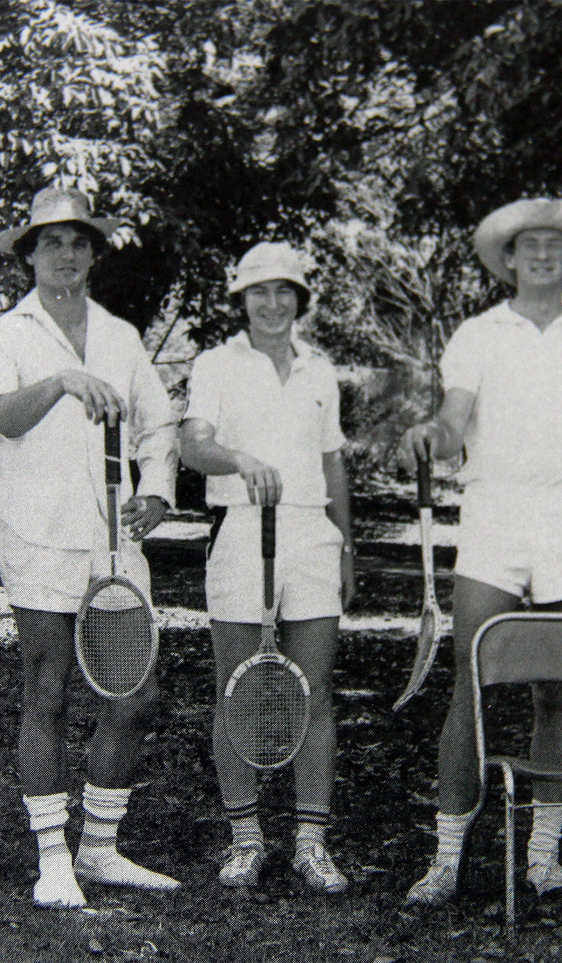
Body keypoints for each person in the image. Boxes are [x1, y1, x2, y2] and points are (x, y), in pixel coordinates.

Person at [397, 198, 562, 906]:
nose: (542, 255)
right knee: (470, 682)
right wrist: (430, 437)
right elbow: (452, 424)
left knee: (557, 690)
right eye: (528, 245)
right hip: (493, 517)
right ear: (508, 259)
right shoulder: (478, 334)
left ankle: (544, 859)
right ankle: (446, 860)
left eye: (554, 245)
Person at [0, 186, 178, 908]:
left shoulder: (120, 335)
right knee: (47, 690)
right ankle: (52, 858)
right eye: (51, 242)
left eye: (78, 242)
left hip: (113, 540)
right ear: (29, 255)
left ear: (93, 255)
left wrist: (157, 490)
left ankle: (101, 848)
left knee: (134, 692)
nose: (65, 253)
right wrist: (60, 381)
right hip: (37, 534)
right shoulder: (3, 335)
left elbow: (158, 422)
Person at [178, 242, 357, 895]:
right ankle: (245, 839)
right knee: (239, 689)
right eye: (259, 291)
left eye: (284, 291)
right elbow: (191, 444)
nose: (272, 303)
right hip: (241, 528)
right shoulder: (215, 363)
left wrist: (346, 546)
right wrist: (239, 460)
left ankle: (311, 843)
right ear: (242, 299)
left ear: (299, 299)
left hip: (311, 532)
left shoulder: (320, 369)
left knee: (314, 691)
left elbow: (332, 462)